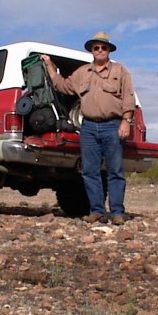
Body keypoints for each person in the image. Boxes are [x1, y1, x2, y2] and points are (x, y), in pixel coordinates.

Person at [41, 32, 135, 225]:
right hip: (89, 128)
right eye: (96, 47)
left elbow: (128, 97)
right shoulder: (82, 72)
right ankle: (97, 211)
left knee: (115, 171)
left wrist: (126, 121)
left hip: (113, 126)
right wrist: (50, 66)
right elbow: (62, 86)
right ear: (92, 50)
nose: (100, 50)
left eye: (103, 47)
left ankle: (117, 212)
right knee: (90, 171)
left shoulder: (120, 71)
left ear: (109, 50)